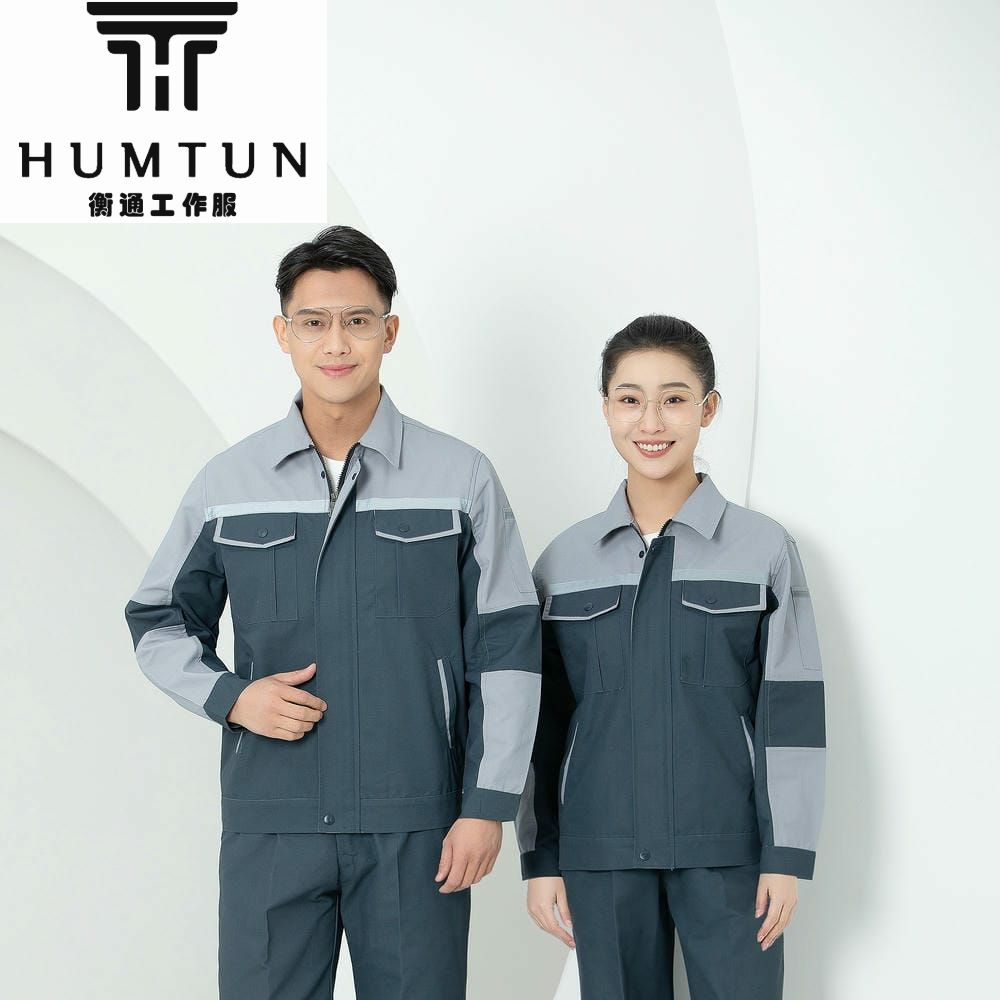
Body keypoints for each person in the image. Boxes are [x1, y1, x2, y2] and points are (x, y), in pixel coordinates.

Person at [124, 225, 542, 999]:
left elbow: (508, 644)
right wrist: (232, 697)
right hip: (272, 819)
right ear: (283, 333)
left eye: (357, 320)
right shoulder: (229, 481)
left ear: (389, 331)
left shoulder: (461, 478)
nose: (336, 343)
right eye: (313, 322)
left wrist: (488, 805)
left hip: (417, 821)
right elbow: (157, 619)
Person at [515, 315, 826, 999]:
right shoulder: (563, 562)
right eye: (630, 399)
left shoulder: (763, 549)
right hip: (600, 853)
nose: (651, 421)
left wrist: (786, 855)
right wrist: (541, 858)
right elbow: (541, 727)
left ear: (707, 409)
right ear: (605, 409)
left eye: (674, 398)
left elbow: (792, 711)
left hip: (730, 852)